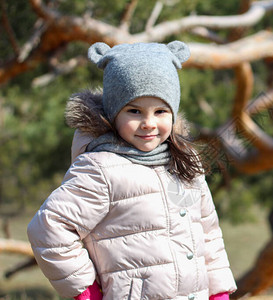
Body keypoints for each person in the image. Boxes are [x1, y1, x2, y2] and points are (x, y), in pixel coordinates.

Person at [27, 41, 237, 300]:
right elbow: (48, 227)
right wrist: (86, 290)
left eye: (160, 111)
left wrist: (219, 292)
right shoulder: (101, 168)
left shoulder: (184, 161)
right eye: (134, 111)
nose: (149, 123)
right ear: (114, 113)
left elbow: (208, 233)